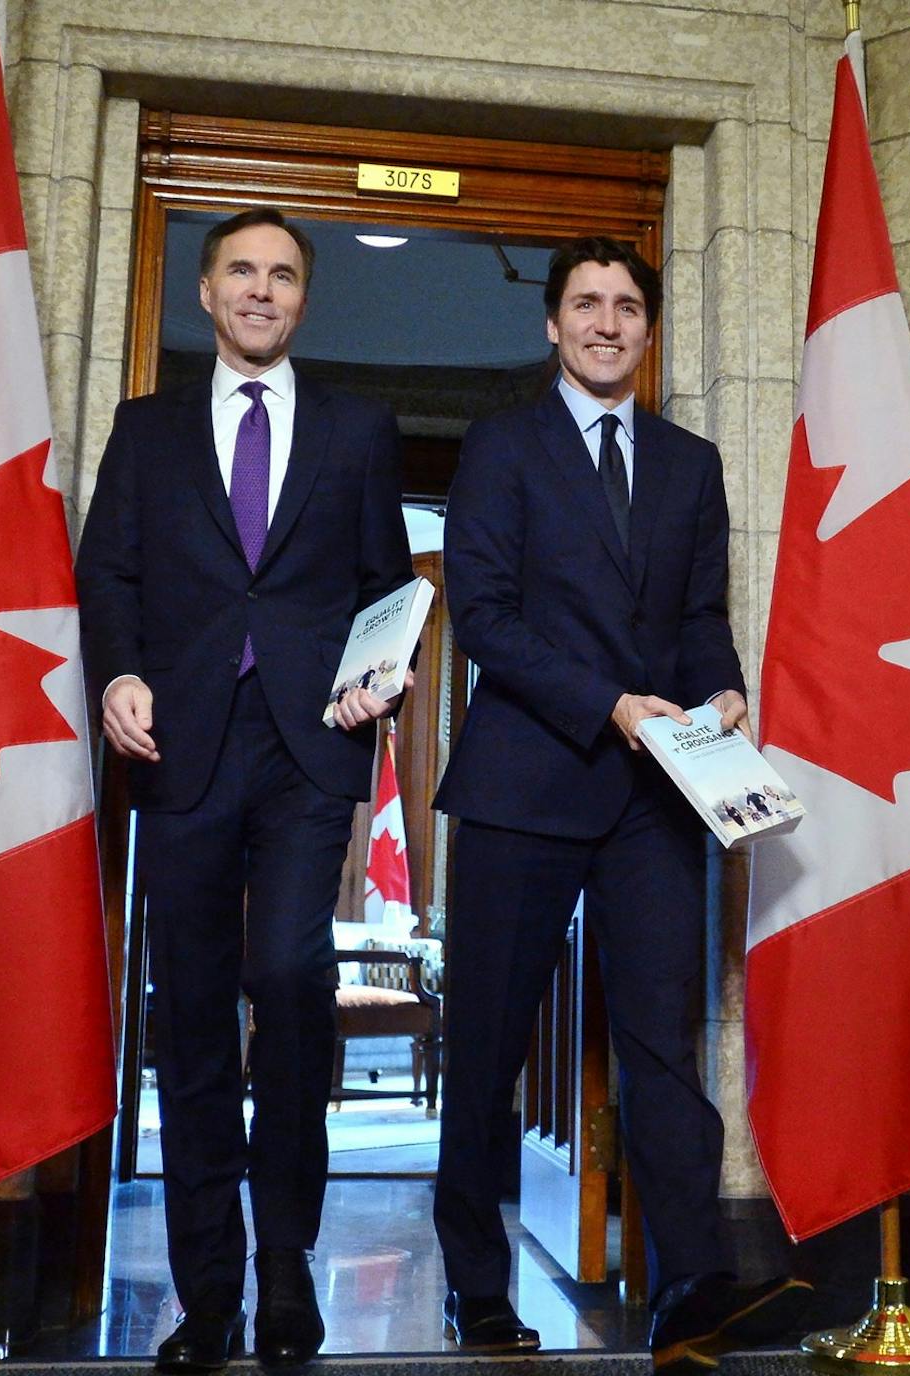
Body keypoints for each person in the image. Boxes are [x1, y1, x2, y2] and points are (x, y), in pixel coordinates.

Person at [431, 237, 814, 1372]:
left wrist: (724, 683)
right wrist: (611, 705)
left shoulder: (692, 465)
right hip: (524, 784)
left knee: (663, 1042)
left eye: (627, 305)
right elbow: (488, 618)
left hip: (659, 798)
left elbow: (700, 613)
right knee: (488, 1041)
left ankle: (691, 1283)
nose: (608, 321)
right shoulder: (501, 446)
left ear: (649, 329)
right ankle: (477, 1287)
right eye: (587, 303)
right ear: (551, 324)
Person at [76, 207, 413, 1373]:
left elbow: (388, 583)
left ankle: (288, 1275)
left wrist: (384, 679)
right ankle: (210, 1294)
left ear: (302, 299)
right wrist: (119, 671)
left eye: (282, 275)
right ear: (207, 295)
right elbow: (107, 570)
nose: (261, 292)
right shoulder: (147, 429)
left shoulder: (359, 430)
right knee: (197, 1017)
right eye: (241, 274)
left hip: (308, 750)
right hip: (183, 749)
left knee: (288, 977)